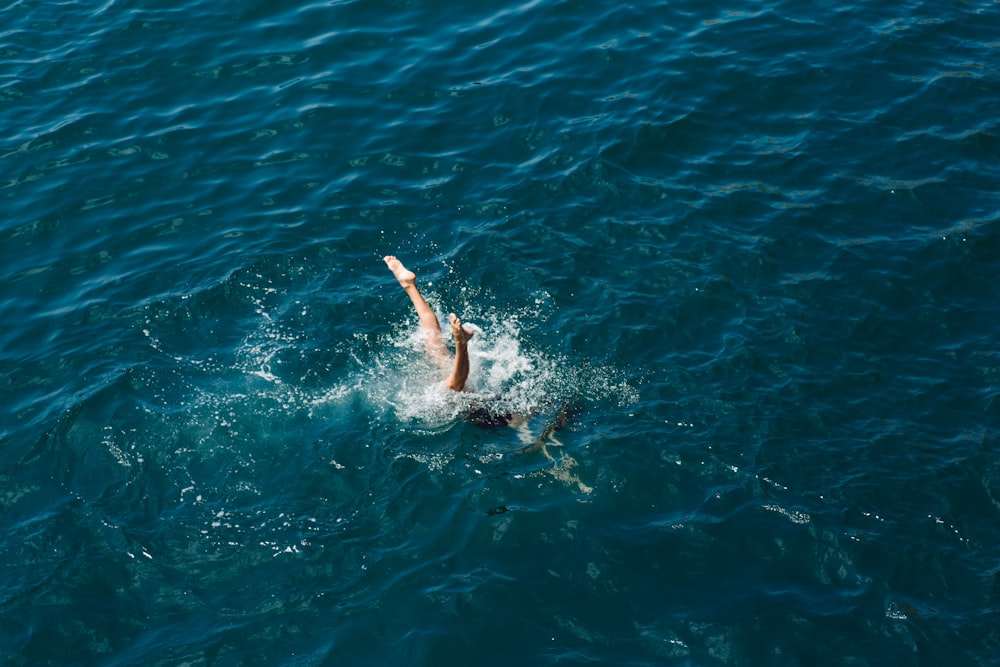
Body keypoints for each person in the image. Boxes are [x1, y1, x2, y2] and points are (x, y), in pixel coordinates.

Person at [383, 255, 475, 392]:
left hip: (483, 409)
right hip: (485, 410)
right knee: (438, 354)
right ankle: (409, 286)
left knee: (437, 353)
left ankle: (409, 286)